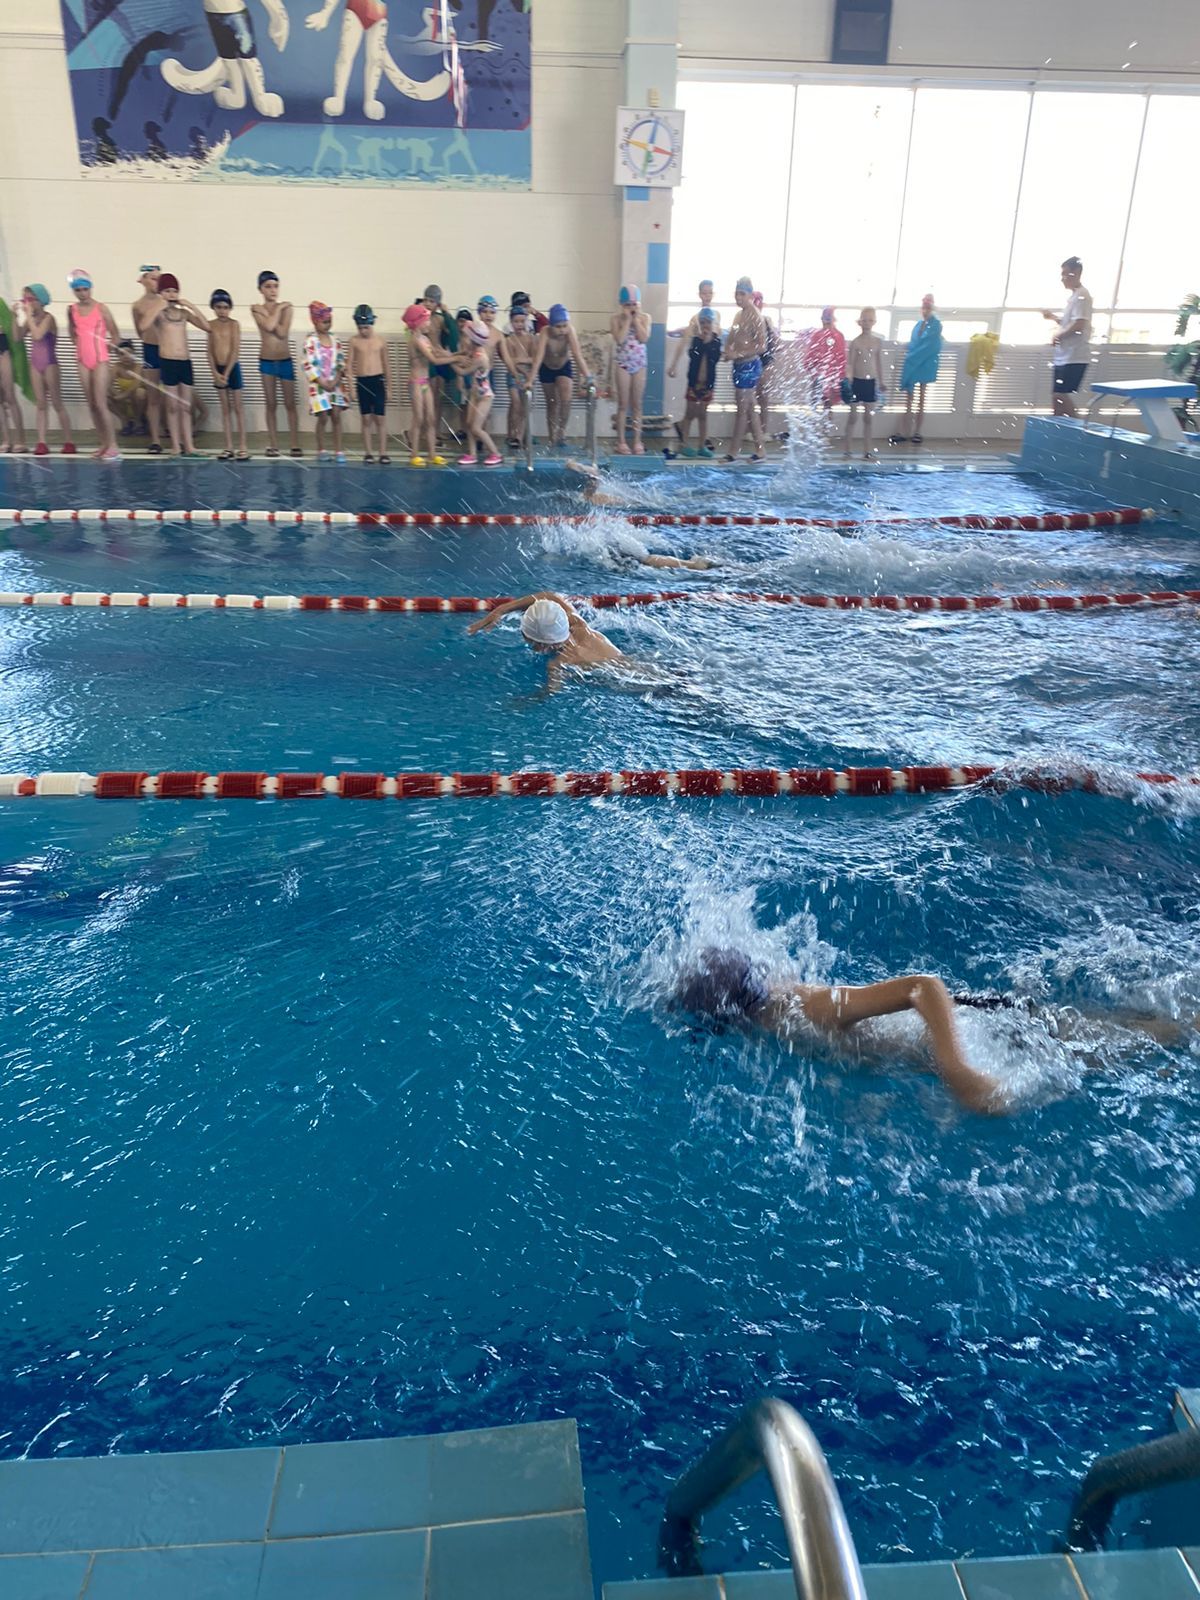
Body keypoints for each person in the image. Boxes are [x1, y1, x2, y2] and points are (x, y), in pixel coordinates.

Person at [672, 948, 1002, 1114]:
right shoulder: (776, 1028)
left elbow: (923, 987)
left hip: (993, 1027)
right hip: (961, 1033)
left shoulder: (809, 1008)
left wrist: (957, 1070)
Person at [468, 589, 630, 688]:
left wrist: (525, 702)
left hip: (630, 684)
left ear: (537, 645)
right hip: (632, 664)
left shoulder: (558, 664)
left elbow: (550, 692)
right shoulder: (579, 625)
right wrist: (501, 609)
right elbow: (549, 596)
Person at [145, 272, 209, 457]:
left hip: (185, 362)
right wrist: (157, 306)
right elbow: (143, 326)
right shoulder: (159, 314)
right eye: (167, 291)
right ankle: (175, 445)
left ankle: (189, 446)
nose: (172, 295)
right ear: (161, 293)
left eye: (174, 291)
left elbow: (207, 327)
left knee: (186, 406)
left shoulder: (183, 313)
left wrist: (191, 306)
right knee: (172, 406)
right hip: (168, 361)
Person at [66, 268, 121, 461]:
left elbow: (115, 334)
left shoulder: (102, 308)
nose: (82, 293)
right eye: (78, 290)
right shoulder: (71, 310)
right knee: (91, 405)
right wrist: (82, 345)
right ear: (74, 291)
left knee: (100, 403)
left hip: (100, 360)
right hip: (82, 360)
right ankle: (103, 443)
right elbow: (73, 333)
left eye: (84, 289)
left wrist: (110, 344)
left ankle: (113, 444)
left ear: (90, 288)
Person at [16, 285, 74, 455]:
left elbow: (37, 335)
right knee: (40, 405)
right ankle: (41, 441)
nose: (27, 303)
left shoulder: (49, 319)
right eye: (25, 299)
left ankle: (69, 440)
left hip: (50, 364)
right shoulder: (29, 320)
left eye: (30, 299)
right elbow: (17, 337)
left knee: (57, 403)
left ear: (40, 300)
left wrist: (28, 317)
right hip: (35, 364)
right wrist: (15, 317)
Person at [251, 270, 301, 456]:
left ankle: (295, 443)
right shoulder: (257, 308)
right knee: (270, 403)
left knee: (290, 403)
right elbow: (271, 327)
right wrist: (278, 309)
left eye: (275, 286)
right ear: (261, 289)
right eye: (268, 287)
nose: (273, 290)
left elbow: (282, 333)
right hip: (266, 361)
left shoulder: (287, 308)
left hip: (285, 359)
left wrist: (273, 311)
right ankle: (273, 444)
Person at [528, 304, 589, 448]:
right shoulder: (545, 332)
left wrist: (588, 376)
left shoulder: (570, 332)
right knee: (552, 403)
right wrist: (530, 379)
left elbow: (577, 354)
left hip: (563, 367)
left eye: (564, 326)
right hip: (546, 368)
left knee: (566, 400)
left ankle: (561, 432)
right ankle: (552, 437)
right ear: (551, 325)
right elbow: (538, 357)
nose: (562, 330)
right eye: (558, 327)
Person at [721, 276, 767, 463]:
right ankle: (760, 450)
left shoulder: (756, 316)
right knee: (748, 409)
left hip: (749, 366)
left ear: (750, 295)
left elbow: (762, 346)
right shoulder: (739, 315)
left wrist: (737, 354)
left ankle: (733, 452)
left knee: (743, 409)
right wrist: (728, 350)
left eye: (742, 294)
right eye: (736, 293)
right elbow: (731, 338)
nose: (738, 297)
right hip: (739, 366)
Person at [1042, 255, 1093, 419]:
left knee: (1060, 395)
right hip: (1064, 356)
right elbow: (1069, 322)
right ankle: (1058, 431)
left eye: (1065, 274)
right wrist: (1053, 318)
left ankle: (1078, 430)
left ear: (1077, 272)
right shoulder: (1074, 296)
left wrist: (1058, 336)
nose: (1062, 278)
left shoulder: (1082, 296)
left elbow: (1079, 324)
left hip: (1075, 356)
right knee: (1056, 397)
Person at [666, 308, 721, 458]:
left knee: (703, 416)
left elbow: (715, 358)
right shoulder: (696, 341)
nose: (705, 325)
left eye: (708, 322)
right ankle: (684, 444)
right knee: (689, 415)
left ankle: (702, 446)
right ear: (698, 324)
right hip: (693, 384)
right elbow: (693, 354)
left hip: (707, 386)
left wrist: (710, 339)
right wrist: (702, 339)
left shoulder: (716, 342)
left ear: (713, 323)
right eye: (702, 322)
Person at [890, 293, 943, 445]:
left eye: (927, 308)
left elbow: (931, 345)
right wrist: (911, 353)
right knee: (909, 399)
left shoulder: (936, 325)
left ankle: (917, 432)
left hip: (925, 364)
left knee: (921, 399)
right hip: (915, 363)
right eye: (923, 308)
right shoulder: (918, 325)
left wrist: (913, 356)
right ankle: (903, 431)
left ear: (931, 308)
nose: (925, 311)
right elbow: (915, 342)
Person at [452, 319, 503, 465]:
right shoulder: (473, 351)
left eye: (467, 337)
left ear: (473, 340)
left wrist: (450, 362)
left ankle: (496, 453)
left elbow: (462, 372)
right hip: (475, 394)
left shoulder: (480, 357)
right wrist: (450, 355)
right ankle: (472, 454)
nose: (464, 339)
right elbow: (461, 354)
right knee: (469, 424)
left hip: (485, 396)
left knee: (476, 427)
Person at [303, 301, 348, 461]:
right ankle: (321, 448)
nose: (327, 325)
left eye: (329, 321)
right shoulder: (310, 341)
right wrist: (322, 382)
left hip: (335, 384)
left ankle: (339, 450)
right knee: (322, 416)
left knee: (336, 415)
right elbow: (308, 364)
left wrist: (336, 379)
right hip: (319, 385)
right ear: (315, 321)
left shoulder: (335, 340)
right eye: (324, 322)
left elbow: (341, 362)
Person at [402, 302, 446, 466]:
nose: (429, 323)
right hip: (415, 382)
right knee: (419, 417)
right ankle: (414, 454)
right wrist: (456, 358)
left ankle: (432, 454)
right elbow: (434, 359)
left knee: (431, 418)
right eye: (426, 320)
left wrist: (458, 354)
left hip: (425, 382)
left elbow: (437, 352)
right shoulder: (416, 340)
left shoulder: (425, 338)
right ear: (417, 322)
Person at [207, 289, 248, 460]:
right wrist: (215, 373)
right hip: (218, 369)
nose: (222, 311)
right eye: (218, 307)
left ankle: (243, 446)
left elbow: (235, 350)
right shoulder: (210, 325)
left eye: (225, 307)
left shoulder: (234, 325)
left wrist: (227, 372)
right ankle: (228, 446)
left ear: (230, 308)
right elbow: (208, 352)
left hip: (233, 368)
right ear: (213, 308)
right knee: (225, 409)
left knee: (238, 408)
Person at [610, 284, 651, 455]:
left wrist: (635, 320)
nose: (632, 308)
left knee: (637, 405)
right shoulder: (616, 319)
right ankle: (621, 442)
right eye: (628, 305)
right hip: (623, 365)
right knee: (622, 405)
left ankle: (637, 441)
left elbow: (644, 338)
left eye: (635, 304)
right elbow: (619, 340)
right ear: (622, 305)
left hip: (639, 364)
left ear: (639, 304)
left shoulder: (646, 318)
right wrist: (627, 321)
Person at [347, 303, 389, 462]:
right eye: (360, 328)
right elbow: (349, 366)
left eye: (366, 327)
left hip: (378, 380)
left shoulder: (381, 341)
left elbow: (386, 365)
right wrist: (351, 388)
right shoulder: (354, 341)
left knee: (380, 418)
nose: (363, 331)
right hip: (362, 381)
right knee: (366, 418)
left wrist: (390, 388)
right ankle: (368, 452)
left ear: (372, 323)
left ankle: (383, 452)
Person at [131, 265, 166, 453]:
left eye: (158, 279)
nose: (156, 283)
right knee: (153, 397)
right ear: (142, 280)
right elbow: (140, 331)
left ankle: (178, 436)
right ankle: (155, 440)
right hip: (150, 350)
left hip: (169, 351)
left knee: (173, 396)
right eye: (152, 278)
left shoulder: (166, 300)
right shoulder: (137, 306)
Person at [842, 307, 885, 461]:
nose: (866, 323)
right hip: (857, 382)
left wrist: (882, 381)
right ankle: (847, 450)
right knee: (853, 417)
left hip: (870, 383)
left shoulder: (877, 342)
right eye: (864, 320)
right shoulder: (856, 342)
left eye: (869, 320)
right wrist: (848, 380)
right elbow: (850, 364)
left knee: (868, 418)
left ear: (874, 322)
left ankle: (867, 451)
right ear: (860, 322)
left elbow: (878, 363)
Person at [667, 279, 721, 379]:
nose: (707, 296)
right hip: (698, 363)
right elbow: (684, 342)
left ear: (713, 294)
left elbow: (718, 335)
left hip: (710, 364)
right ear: (700, 295)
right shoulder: (695, 318)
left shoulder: (717, 315)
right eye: (704, 293)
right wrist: (674, 365)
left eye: (710, 293)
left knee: (708, 388)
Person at [502, 302, 536, 448]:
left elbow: (534, 359)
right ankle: (513, 434)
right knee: (516, 404)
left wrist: (519, 360)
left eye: (522, 321)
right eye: (516, 321)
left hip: (528, 376)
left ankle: (519, 436)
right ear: (511, 322)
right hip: (513, 375)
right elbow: (510, 362)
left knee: (525, 407)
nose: (519, 324)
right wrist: (519, 369)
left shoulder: (531, 339)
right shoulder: (508, 341)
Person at [0, 297, 29, 455]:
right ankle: (6, 440)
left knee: (10, 397)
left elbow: (11, 334)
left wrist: (14, 315)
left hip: (3, 351)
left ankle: (20, 440)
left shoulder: (0, 304)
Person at [108, 339, 148, 436]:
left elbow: (136, 385)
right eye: (122, 354)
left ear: (133, 353)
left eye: (129, 353)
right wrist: (117, 395)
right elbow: (107, 384)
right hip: (125, 402)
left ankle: (138, 422)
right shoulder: (117, 367)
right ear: (118, 356)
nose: (126, 357)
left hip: (139, 404)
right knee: (104, 395)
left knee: (140, 392)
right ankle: (125, 422)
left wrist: (123, 396)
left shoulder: (138, 367)